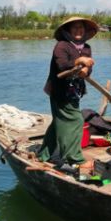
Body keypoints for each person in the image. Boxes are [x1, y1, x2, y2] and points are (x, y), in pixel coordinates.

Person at [38, 17, 97, 171]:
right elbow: (62, 65)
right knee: (76, 120)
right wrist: (80, 62)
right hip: (59, 91)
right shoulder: (61, 46)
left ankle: (44, 154)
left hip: (75, 92)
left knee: (58, 122)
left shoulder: (86, 48)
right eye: (75, 28)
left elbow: (88, 66)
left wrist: (86, 70)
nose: (79, 31)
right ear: (68, 31)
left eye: (81, 28)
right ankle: (74, 159)